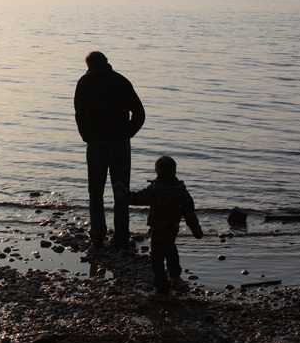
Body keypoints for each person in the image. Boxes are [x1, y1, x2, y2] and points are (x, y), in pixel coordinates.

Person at [74, 51, 145, 251]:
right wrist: (127, 133)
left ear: (88, 64)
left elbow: (80, 113)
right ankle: (121, 236)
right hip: (120, 143)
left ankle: (97, 235)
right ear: (106, 62)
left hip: (96, 143)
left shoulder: (85, 82)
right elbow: (139, 113)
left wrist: (86, 135)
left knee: (95, 191)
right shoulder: (121, 80)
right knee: (121, 190)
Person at [115, 156, 203, 297]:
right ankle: (175, 277)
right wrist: (196, 231)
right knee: (171, 250)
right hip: (173, 227)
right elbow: (189, 213)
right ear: (174, 171)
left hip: (158, 228)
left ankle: (162, 289)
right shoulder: (181, 190)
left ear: (157, 171)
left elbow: (134, 199)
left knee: (157, 258)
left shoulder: (155, 189)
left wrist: (119, 188)